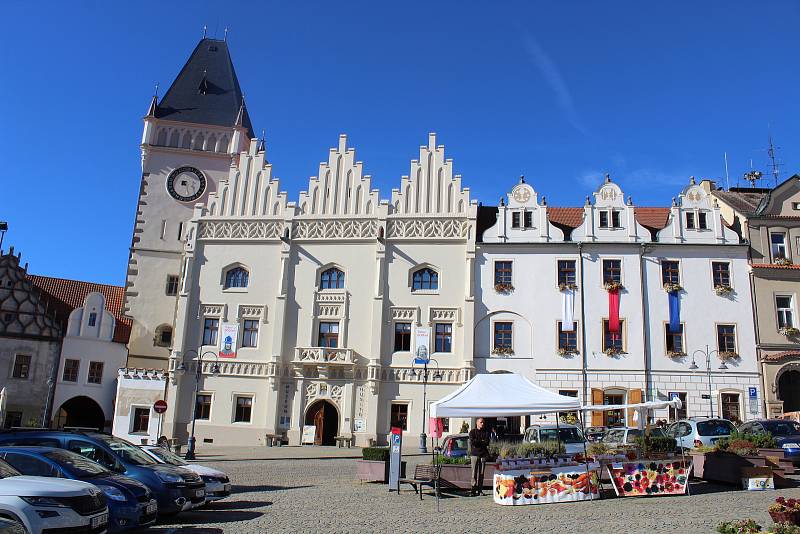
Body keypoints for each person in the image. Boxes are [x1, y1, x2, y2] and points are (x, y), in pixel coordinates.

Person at [468, 417, 490, 497]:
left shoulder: (486, 432)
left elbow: (487, 442)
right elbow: (473, 442)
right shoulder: (472, 432)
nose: (482, 424)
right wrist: (481, 442)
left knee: (481, 473)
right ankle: (473, 490)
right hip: (474, 454)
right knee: (474, 473)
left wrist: (479, 442)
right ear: (477, 423)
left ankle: (480, 490)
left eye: (483, 422)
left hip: (483, 455)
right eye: (481, 422)